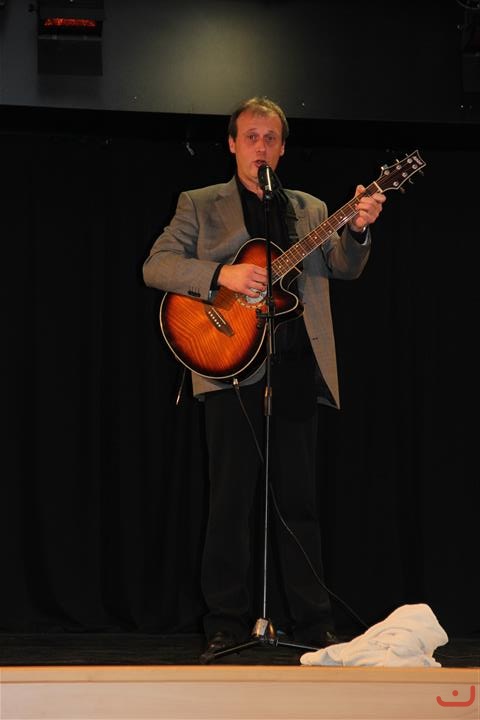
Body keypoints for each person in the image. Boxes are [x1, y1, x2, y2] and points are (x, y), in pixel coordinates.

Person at [143, 96, 386, 660]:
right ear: (232, 144)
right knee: (229, 503)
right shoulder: (199, 203)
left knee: (299, 503)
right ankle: (225, 623)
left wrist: (357, 229)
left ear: (282, 148)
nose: (261, 146)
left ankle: (314, 621)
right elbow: (157, 266)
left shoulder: (309, 208)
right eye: (251, 136)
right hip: (227, 369)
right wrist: (222, 274)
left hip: (296, 368)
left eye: (270, 138)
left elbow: (345, 268)